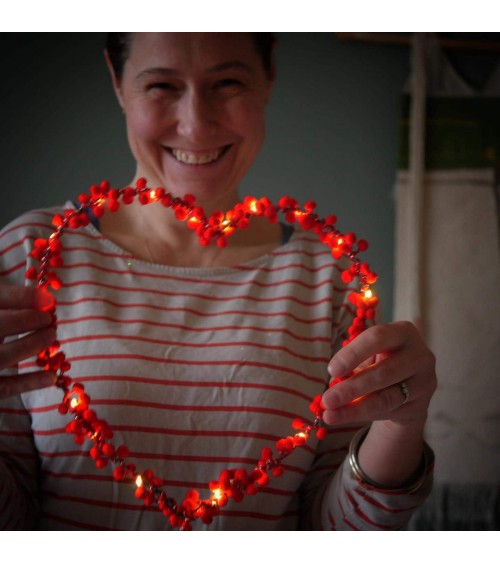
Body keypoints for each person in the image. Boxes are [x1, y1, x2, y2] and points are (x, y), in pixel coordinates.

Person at [0, 32, 436, 531]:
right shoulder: (30, 258)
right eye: (162, 85)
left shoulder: (332, 280)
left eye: (227, 82)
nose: (196, 123)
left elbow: (334, 530)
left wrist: (401, 425)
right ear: (118, 83)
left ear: (268, 76)